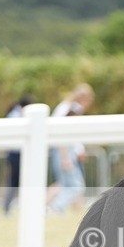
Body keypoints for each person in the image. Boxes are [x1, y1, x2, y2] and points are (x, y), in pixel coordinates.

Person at [48, 83, 94, 214]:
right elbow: (63, 134)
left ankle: (59, 208)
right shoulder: (71, 109)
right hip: (64, 150)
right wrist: (65, 157)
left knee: (65, 184)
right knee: (75, 186)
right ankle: (56, 207)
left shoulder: (66, 107)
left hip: (64, 150)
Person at [2, 94, 33, 215]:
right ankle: (7, 207)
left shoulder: (14, 114)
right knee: (16, 181)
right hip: (16, 153)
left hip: (15, 153)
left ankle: (10, 206)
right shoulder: (16, 115)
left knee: (16, 181)